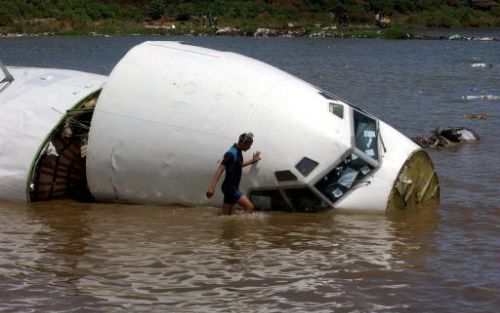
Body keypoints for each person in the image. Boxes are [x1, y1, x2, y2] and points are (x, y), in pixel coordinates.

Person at [206, 132, 261, 215]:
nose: (249, 148)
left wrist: (252, 161)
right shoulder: (231, 153)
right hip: (230, 188)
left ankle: (211, 222)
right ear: (243, 143)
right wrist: (211, 188)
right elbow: (220, 169)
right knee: (250, 207)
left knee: (226, 214)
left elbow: (238, 165)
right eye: (249, 145)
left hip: (231, 187)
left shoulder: (238, 151)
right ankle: (241, 226)